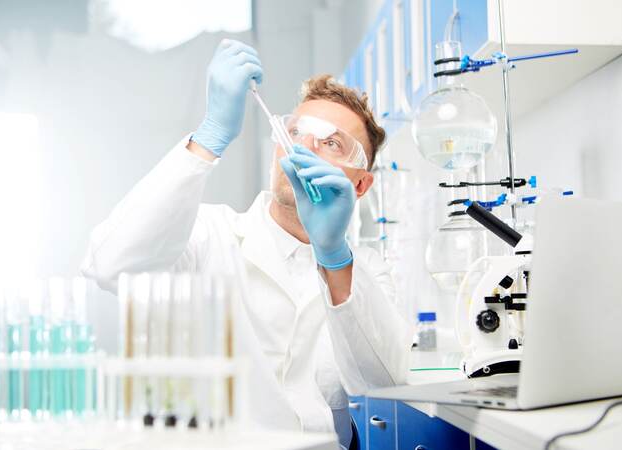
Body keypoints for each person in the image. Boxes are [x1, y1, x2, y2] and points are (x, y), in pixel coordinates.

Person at [82, 39, 411, 449]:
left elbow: (387, 382)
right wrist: (210, 136)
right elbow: (111, 265)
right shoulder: (206, 233)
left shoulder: (365, 270)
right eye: (296, 132)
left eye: (331, 143)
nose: (304, 148)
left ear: (360, 184)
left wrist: (334, 257)